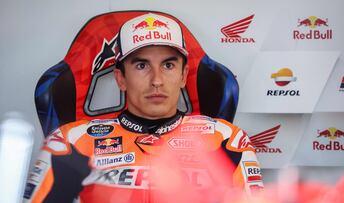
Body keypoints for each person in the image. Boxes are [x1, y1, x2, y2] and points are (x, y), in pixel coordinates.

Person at [23, 12, 263, 203]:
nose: (156, 80)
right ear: (120, 78)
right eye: (141, 66)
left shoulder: (226, 140)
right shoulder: (72, 141)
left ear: (183, 76)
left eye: (168, 65)